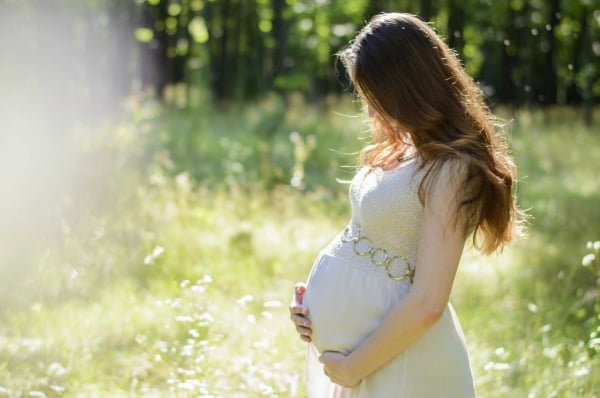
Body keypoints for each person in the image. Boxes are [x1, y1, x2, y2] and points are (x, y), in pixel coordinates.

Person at [288, 12, 525, 398]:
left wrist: (352, 367)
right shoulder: (403, 148)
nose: (369, 109)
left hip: (401, 366)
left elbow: (429, 300)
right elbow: (367, 232)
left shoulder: (453, 168)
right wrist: (309, 307)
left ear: (408, 87)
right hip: (362, 361)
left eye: (374, 95)